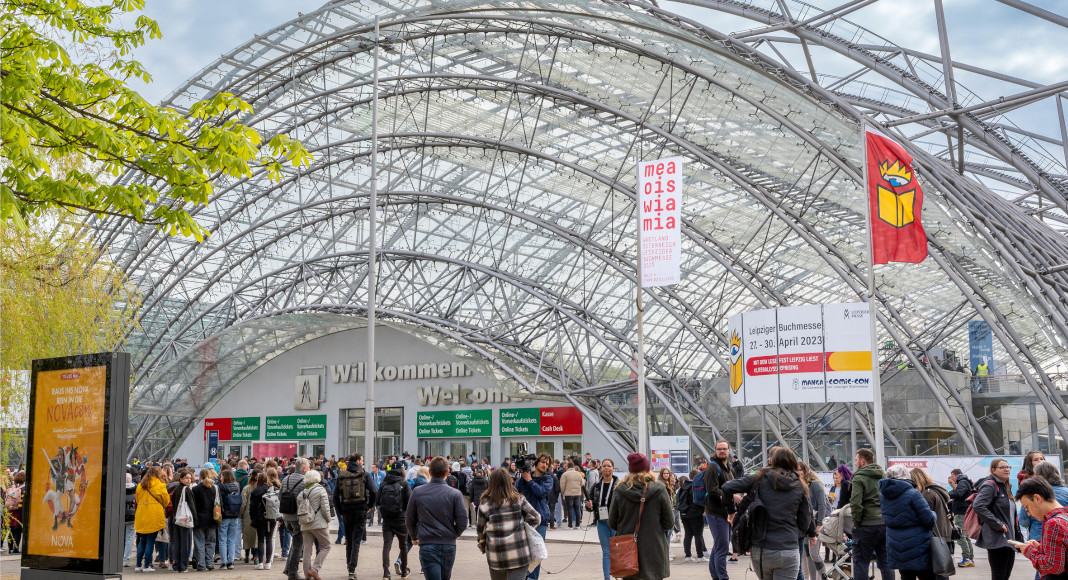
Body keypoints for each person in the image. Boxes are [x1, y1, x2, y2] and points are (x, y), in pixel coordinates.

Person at [722, 446, 817, 580]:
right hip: (788, 548)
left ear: (772, 460)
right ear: (793, 463)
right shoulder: (800, 486)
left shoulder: (759, 478)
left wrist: (731, 511)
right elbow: (805, 521)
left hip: (761, 550)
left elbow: (727, 487)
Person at [607, 452, 674, 580]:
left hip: (628, 552)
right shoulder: (659, 489)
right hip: (654, 549)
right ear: (647, 468)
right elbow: (669, 523)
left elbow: (612, 522)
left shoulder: (620, 489)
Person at [406, 455, 468, 580]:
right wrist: (453, 534)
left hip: (427, 544)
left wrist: (413, 536)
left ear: (429, 471)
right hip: (448, 545)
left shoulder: (417, 492)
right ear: (447, 472)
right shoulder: (455, 494)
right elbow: (462, 521)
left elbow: (409, 519)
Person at [477, 467, 543, 580]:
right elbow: (536, 517)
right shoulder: (518, 499)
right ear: (509, 481)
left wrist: (483, 547)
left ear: (492, 482)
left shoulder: (485, 503)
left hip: (496, 554)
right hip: (519, 553)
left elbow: (480, 531)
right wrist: (524, 527)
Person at [880, 464, 936, 580]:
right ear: (906, 476)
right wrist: (934, 514)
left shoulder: (883, 496)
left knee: (906, 576)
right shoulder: (913, 494)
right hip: (918, 545)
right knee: (927, 576)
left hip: (896, 543)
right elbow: (929, 520)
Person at [973, 458, 1023, 580]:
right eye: (1002, 467)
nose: (1006, 469)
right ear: (993, 470)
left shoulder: (1005, 486)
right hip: (998, 538)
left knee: (1005, 575)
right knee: (999, 575)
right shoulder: (990, 485)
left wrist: (1017, 535)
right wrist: (998, 524)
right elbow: (978, 505)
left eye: (1008, 467)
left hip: (1008, 538)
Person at [850, 448, 893, 580]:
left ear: (862, 461)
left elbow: (856, 503)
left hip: (866, 525)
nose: (855, 463)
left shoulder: (859, 478)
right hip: (883, 523)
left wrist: (856, 522)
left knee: (861, 562)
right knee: (886, 562)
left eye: (856, 460)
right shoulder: (882, 475)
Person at [1014, 476, 1068, 579]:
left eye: (1027, 508)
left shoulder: (1053, 523)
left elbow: (1052, 566)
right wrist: (1040, 547)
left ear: (1037, 498)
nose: (1028, 513)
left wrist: (1029, 551)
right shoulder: (1064, 515)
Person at [334, 453, 378, 579]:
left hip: (346, 511)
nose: (363, 462)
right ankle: (352, 569)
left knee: (348, 539)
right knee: (356, 540)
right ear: (358, 461)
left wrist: (340, 510)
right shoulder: (365, 474)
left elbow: (336, 495)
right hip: (360, 510)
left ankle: (349, 566)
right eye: (362, 460)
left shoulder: (342, 475)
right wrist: (368, 506)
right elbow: (374, 491)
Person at [515, 453, 553, 580]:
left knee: (537, 554)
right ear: (535, 463)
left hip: (540, 521)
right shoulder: (525, 477)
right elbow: (516, 491)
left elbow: (541, 492)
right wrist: (523, 477)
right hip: (524, 519)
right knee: (524, 553)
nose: (544, 465)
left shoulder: (548, 478)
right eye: (542, 462)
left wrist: (529, 480)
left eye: (547, 463)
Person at [703, 440, 737, 580]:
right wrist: (732, 496)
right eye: (719, 449)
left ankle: (716, 576)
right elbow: (712, 491)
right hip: (715, 512)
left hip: (724, 512)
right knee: (722, 547)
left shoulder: (728, 467)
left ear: (729, 450)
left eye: (724, 448)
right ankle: (723, 577)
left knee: (718, 547)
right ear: (715, 451)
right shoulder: (712, 467)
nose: (722, 451)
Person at [911, 468, 953, 580]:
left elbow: (926, 518)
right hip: (944, 534)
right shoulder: (938, 490)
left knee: (936, 573)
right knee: (942, 571)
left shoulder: (927, 494)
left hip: (934, 536)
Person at [584, 458, 619, 580]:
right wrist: (589, 506)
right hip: (602, 522)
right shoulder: (597, 485)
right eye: (604, 466)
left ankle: (618, 575)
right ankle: (607, 578)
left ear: (613, 468)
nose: (606, 468)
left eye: (609, 466)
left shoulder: (619, 486)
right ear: (601, 468)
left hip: (616, 523)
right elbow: (592, 505)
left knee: (616, 551)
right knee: (606, 552)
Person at [134, 465, 171, 573]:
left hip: (141, 515)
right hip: (154, 515)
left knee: (142, 540)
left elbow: (137, 499)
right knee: (150, 541)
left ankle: (138, 565)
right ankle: (147, 566)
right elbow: (166, 501)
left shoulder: (140, 485)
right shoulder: (160, 485)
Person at [380, 460, 412, 580]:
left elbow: (377, 501)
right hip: (401, 520)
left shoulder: (384, 483)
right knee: (403, 546)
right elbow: (410, 503)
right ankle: (404, 572)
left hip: (387, 520)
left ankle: (386, 573)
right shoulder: (405, 484)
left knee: (386, 546)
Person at [298, 468, 332, 580]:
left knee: (307, 550)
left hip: (305, 524)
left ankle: (307, 575)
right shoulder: (321, 490)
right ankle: (314, 569)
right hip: (319, 524)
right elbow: (325, 509)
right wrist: (328, 520)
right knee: (326, 546)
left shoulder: (301, 493)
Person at [281, 458, 310, 580]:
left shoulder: (286, 478)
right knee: (298, 545)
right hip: (297, 516)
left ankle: (288, 569)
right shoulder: (305, 481)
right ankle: (293, 574)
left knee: (295, 542)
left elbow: (280, 496)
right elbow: (306, 500)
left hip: (286, 516)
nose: (309, 469)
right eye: (308, 467)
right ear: (303, 468)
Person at [798, 462, 828, 580]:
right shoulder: (801, 485)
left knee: (815, 555)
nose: (799, 472)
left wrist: (819, 524)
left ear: (806, 471)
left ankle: (824, 577)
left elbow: (822, 505)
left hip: (816, 523)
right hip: (806, 524)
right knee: (808, 555)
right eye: (797, 470)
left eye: (801, 470)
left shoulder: (815, 485)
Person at [168, 468, 197, 573]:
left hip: (177, 518)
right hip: (185, 519)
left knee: (177, 542)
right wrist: (195, 519)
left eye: (189, 478)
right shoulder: (187, 490)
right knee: (185, 543)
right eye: (186, 478)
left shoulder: (176, 489)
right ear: (181, 479)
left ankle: (177, 565)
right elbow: (192, 506)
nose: (188, 480)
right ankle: (183, 565)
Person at [190, 467, 220, 571]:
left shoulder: (195, 489)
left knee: (199, 543)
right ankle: (210, 563)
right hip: (212, 519)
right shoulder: (214, 488)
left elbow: (193, 505)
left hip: (199, 519)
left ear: (201, 477)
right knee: (211, 543)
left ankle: (201, 565)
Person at [677, 470, 708, 563]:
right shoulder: (696, 486)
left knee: (688, 535)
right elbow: (699, 500)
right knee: (698, 535)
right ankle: (700, 556)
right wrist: (703, 510)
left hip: (684, 513)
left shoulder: (682, 487)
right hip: (695, 513)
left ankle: (688, 556)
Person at [947, 468, 975, 567]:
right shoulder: (965, 482)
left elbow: (958, 494)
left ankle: (967, 558)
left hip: (961, 512)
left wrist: (946, 494)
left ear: (955, 475)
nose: (952, 481)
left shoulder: (962, 482)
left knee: (960, 535)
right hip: (963, 511)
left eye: (952, 477)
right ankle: (970, 558)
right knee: (965, 536)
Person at [249, 472, 277, 570]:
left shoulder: (255, 491)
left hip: (260, 518)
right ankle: (268, 563)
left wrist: (253, 518)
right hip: (272, 517)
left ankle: (260, 562)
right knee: (269, 539)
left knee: (261, 540)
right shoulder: (272, 489)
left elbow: (252, 507)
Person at [218, 468, 242, 570]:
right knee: (231, 539)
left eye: (222, 476)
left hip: (224, 515)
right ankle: (231, 561)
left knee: (223, 539)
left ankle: (223, 562)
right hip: (235, 514)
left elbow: (218, 501)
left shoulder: (220, 487)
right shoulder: (236, 487)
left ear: (224, 477)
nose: (220, 478)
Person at [240, 467, 262, 564]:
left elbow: (243, 502)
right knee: (257, 535)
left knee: (247, 535)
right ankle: (256, 556)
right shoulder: (261, 488)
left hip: (247, 515)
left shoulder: (246, 488)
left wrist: (240, 514)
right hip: (258, 514)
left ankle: (247, 555)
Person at [561, 461, 585, 529]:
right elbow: (582, 483)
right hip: (577, 493)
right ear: (573, 466)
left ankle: (570, 525)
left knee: (570, 509)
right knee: (577, 509)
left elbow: (562, 485)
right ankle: (577, 525)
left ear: (567, 467)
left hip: (568, 494)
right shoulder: (578, 474)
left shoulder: (565, 474)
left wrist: (563, 493)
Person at [122, 472, 135, 565]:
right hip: (132, 516)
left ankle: (119, 556)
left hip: (120, 516)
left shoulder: (118, 488)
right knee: (130, 538)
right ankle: (126, 559)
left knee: (120, 537)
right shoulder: (136, 489)